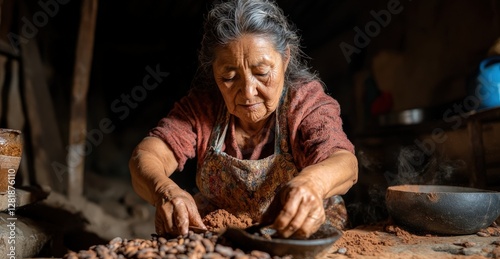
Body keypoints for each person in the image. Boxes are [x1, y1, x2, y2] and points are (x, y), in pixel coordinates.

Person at [129, 0, 358, 239]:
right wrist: (165, 190)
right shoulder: (205, 106)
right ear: (214, 73)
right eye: (229, 77)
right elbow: (146, 156)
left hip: (302, 234)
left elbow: (344, 162)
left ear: (285, 58)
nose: (248, 92)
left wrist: (313, 183)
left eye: (261, 73)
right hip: (223, 237)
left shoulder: (305, 102)